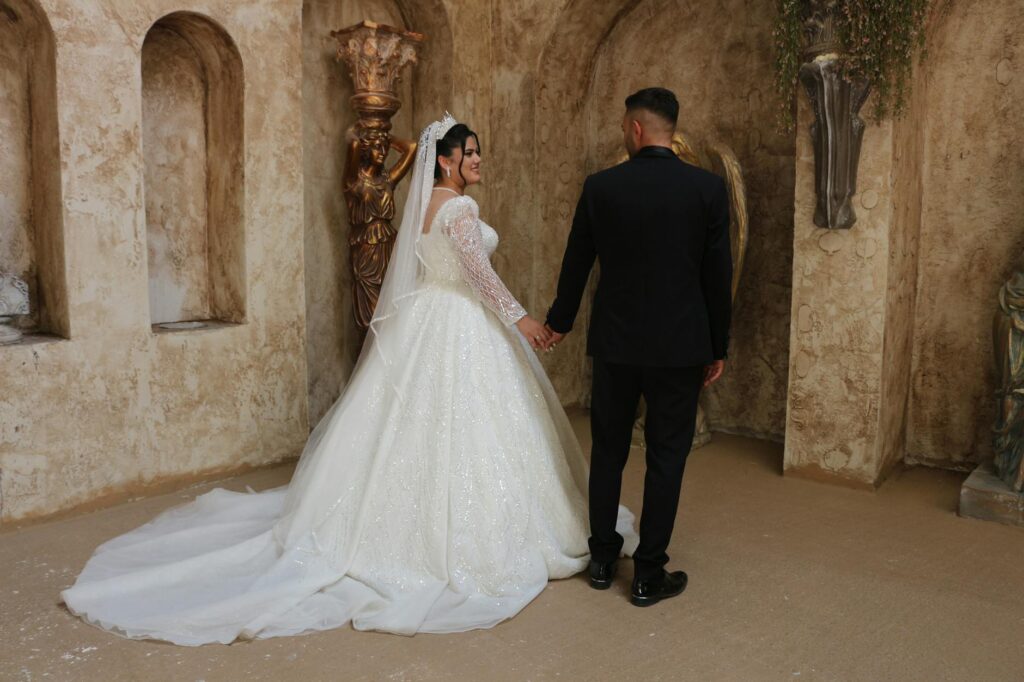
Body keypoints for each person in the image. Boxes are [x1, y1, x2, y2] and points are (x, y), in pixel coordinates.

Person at [60, 114, 636, 644]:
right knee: (464, 426)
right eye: (471, 153)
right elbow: (479, 275)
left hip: (429, 319)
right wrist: (524, 321)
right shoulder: (459, 211)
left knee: (408, 426)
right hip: (458, 320)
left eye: (479, 153)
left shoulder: (429, 205)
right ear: (446, 160)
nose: (479, 161)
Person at [545, 87, 732, 607]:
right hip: (681, 346)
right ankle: (649, 573)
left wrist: (559, 322)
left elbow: (576, 262)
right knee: (667, 458)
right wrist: (719, 345)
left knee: (607, 451)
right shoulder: (707, 190)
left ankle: (602, 559)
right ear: (669, 130)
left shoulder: (602, 187)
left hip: (616, 344)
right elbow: (718, 276)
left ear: (634, 128)